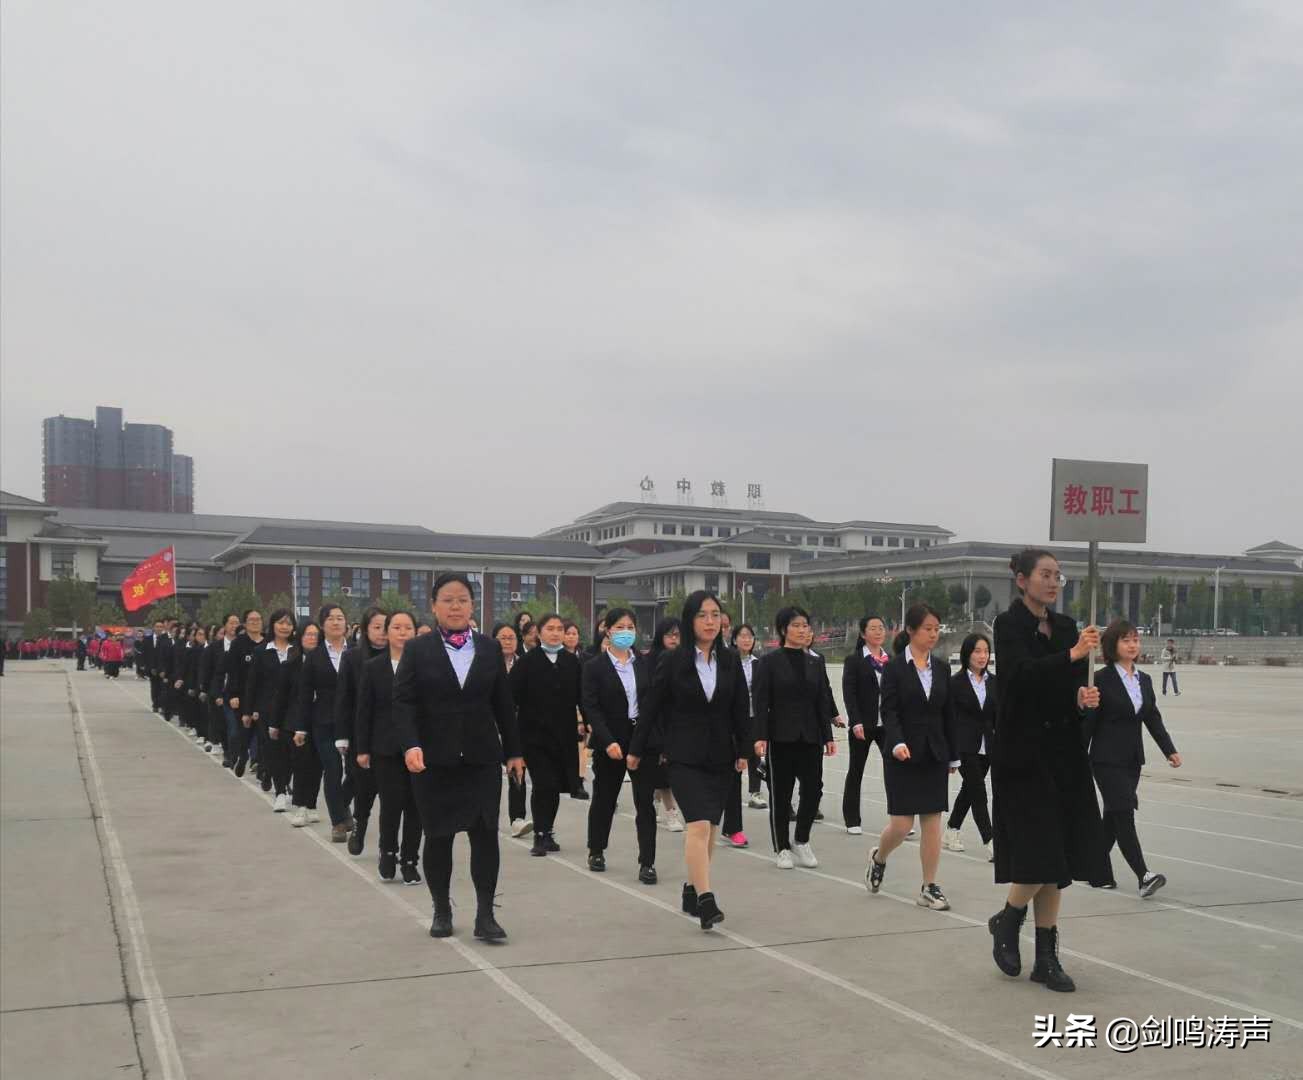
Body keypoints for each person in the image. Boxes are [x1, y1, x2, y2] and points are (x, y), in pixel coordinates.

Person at [988, 548, 1109, 994]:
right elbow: (1020, 680)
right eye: (1045, 574)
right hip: (1022, 755)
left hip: (1063, 754)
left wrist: (1080, 698)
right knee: (1042, 851)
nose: (1054, 582)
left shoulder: (1066, 627)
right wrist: (1072, 654)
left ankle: (1046, 957)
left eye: (1058, 575)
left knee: (1059, 858)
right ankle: (1009, 918)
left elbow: (1064, 687)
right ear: (1022, 580)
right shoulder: (1008, 626)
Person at [393, 572, 524, 942]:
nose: (455, 607)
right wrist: (411, 744)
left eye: (463, 600)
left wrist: (514, 750)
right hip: (434, 760)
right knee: (438, 837)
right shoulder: (418, 650)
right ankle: (441, 909)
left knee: (485, 836)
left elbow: (503, 704)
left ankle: (486, 915)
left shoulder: (489, 648)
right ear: (434, 606)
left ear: (472, 606)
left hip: (482, 758)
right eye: (448, 600)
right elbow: (403, 702)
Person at [629, 591, 748, 930]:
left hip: (721, 756)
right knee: (698, 824)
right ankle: (706, 901)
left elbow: (740, 708)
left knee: (710, 829)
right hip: (683, 755)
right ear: (689, 620)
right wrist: (636, 750)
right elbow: (651, 707)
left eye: (715, 615)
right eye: (702, 615)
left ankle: (691, 888)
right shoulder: (673, 661)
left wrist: (744, 751)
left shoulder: (730, 660)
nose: (710, 621)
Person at [865, 604, 958, 910]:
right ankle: (879, 857)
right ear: (911, 630)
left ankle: (929, 886)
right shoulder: (893, 669)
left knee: (932, 821)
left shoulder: (942, 668)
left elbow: (948, 714)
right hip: (902, 755)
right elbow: (889, 711)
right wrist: (896, 742)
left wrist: (953, 755)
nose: (933, 634)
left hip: (934, 754)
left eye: (936, 629)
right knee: (902, 825)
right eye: (928, 629)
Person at [1084, 620, 1182, 897]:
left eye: (1135, 640)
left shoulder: (1144, 680)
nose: (1132, 645)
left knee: (1113, 817)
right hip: (1105, 759)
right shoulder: (1099, 680)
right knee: (1124, 812)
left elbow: (1152, 718)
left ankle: (1094, 869)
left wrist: (1169, 750)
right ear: (1112, 645)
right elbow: (1088, 724)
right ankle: (1144, 875)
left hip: (1132, 760)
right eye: (1126, 640)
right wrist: (1075, 758)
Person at [753, 606, 837, 869]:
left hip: (811, 736)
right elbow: (761, 702)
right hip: (781, 736)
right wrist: (761, 736)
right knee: (781, 793)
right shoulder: (769, 662)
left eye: (805, 625)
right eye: (796, 625)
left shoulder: (816, 662)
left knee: (813, 790)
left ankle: (801, 839)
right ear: (783, 630)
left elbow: (822, 700)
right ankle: (782, 847)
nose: (802, 630)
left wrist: (828, 736)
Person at [582, 608, 658, 882]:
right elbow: (591, 708)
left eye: (630, 627)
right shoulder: (594, 667)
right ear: (608, 630)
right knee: (604, 798)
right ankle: (596, 850)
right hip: (610, 740)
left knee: (645, 803)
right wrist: (608, 741)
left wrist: (646, 742)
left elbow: (653, 704)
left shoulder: (645, 664)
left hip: (642, 739)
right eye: (620, 627)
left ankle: (647, 862)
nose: (625, 632)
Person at [355, 610, 423, 885]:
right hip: (384, 747)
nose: (402, 632)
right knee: (391, 803)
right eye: (396, 627)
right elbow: (364, 710)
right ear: (387, 632)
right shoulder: (373, 667)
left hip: (418, 746)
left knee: (416, 805)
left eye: (408, 627)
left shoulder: (425, 666)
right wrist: (362, 748)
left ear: (416, 632)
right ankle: (388, 852)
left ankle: (410, 860)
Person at [510, 613, 584, 856]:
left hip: (563, 736)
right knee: (543, 784)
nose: (555, 633)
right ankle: (540, 835)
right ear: (539, 633)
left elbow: (583, 697)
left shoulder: (571, 662)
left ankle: (548, 830)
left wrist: (587, 722)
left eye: (559, 629)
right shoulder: (527, 662)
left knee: (556, 786)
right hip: (533, 736)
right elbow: (510, 698)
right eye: (549, 628)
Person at [296, 604, 353, 842]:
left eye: (340, 618)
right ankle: (338, 822)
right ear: (322, 625)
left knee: (356, 772)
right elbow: (305, 693)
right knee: (333, 769)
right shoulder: (314, 656)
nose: (336, 622)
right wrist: (301, 727)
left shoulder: (357, 652)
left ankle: (342, 804)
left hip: (353, 720)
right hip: (324, 721)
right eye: (330, 618)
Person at [336, 607, 388, 856]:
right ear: (366, 630)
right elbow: (344, 700)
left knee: (391, 794)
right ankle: (359, 828)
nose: (382, 632)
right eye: (377, 627)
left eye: (386, 627)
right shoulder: (353, 658)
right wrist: (342, 735)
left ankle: (388, 846)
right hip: (361, 734)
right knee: (364, 789)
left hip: (390, 735)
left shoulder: (402, 656)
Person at [944, 633, 998, 860]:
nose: (982, 656)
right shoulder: (954, 683)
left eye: (986, 651)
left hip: (987, 746)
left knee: (969, 790)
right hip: (964, 746)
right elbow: (947, 718)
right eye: (977, 651)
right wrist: (949, 752)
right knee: (978, 792)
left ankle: (952, 828)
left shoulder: (994, 682)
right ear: (967, 654)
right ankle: (991, 840)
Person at [243, 610, 298, 812]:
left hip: (292, 709)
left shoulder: (297, 650)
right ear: (273, 625)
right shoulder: (261, 651)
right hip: (267, 709)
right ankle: (281, 792)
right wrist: (248, 711)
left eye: (288, 623)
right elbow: (252, 683)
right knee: (273, 750)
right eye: (281, 623)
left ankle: (275, 776)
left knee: (291, 752)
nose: (284, 627)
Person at [842, 615, 889, 836]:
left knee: (895, 771)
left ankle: (899, 817)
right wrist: (855, 721)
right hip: (863, 724)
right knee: (856, 770)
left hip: (887, 725)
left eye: (881, 628)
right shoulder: (855, 660)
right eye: (873, 628)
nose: (878, 632)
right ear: (863, 634)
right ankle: (852, 818)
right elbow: (849, 693)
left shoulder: (891, 661)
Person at [719, 622, 761, 847]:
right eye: (742, 636)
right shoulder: (717, 660)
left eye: (750, 636)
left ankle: (733, 827)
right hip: (716, 726)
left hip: (746, 722)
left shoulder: (757, 663)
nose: (746, 640)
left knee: (740, 768)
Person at [493, 623, 533, 839]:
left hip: (518, 727)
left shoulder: (524, 664)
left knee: (518, 771)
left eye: (511, 638)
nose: (507, 641)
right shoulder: (486, 664)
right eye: (503, 638)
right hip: (490, 728)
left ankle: (517, 818)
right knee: (489, 775)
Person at [647, 617, 686, 833]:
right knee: (663, 770)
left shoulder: (687, 659)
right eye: (669, 634)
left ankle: (654, 800)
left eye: (678, 635)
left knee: (665, 770)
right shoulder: (650, 661)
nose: (674, 639)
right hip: (657, 722)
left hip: (680, 722)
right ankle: (671, 812)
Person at [286, 622, 323, 828]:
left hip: (320, 720)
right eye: (308, 634)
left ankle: (311, 804)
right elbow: (283, 695)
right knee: (301, 764)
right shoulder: (291, 664)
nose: (312, 638)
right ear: (300, 638)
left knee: (317, 766)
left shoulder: (326, 662)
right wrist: (275, 723)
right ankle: (299, 806)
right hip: (297, 720)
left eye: (315, 635)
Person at [227, 611, 266, 777]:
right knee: (245, 731)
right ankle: (243, 756)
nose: (255, 622)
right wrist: (233, 694)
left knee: (263, 734)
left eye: (258, 619)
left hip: (263, 696)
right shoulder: (238, 643)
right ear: (245, 623)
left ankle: (261, 767)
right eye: (251, 620)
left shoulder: (268, 642)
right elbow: (233, 670)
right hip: (243, 696)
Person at [562, 619, 592, 801]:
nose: (571, 637)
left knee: (581, 748)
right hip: (563, 708)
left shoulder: (586, 658)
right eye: (568, 633)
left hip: (581, 707)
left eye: (574, 633)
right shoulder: (557, 657)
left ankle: (578, 782)